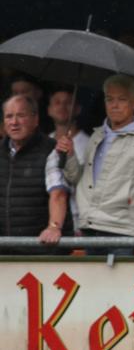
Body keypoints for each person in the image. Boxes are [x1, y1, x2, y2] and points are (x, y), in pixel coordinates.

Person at [59, 74, 134, 256]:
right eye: (109, 99)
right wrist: (69, 155)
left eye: (122, 99)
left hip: (124, 233)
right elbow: (78, 179)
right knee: (93, 285)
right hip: (90, 228)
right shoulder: (97, 136)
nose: (114, 105)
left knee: (121, 285)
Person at [1, 94, 72, 254]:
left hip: (43, 250)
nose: (14, 122)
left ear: (36, 119)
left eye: (21, 115)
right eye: (9, 116)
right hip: (4, 251)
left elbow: (58, 194)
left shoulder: (52, 149)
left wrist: (54, 227)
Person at [47, 87, 90, 234]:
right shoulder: (45, 143)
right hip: (49, 223)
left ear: (77, 109)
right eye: (57, 102)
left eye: (68, 102)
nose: (62, 106)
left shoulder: (89, 144)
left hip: (78, 223)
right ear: (49, 110)